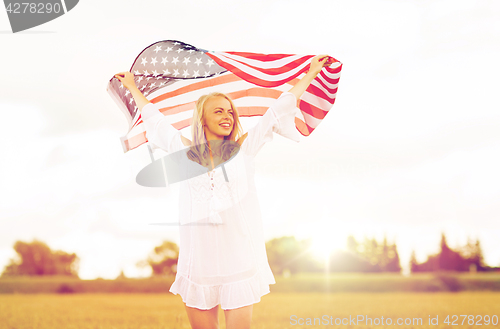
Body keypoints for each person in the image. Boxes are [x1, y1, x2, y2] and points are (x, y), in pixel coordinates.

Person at [114, 54, 333, 329]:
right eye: (218, 111)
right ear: (202, 118)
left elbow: (277, 111)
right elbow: (155, 121)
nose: (227, 116)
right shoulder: (184, 153)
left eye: (230, 112)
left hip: (238, 259)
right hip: (198, 264)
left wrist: (310, 74)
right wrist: (134, 87)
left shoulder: (244, 149)